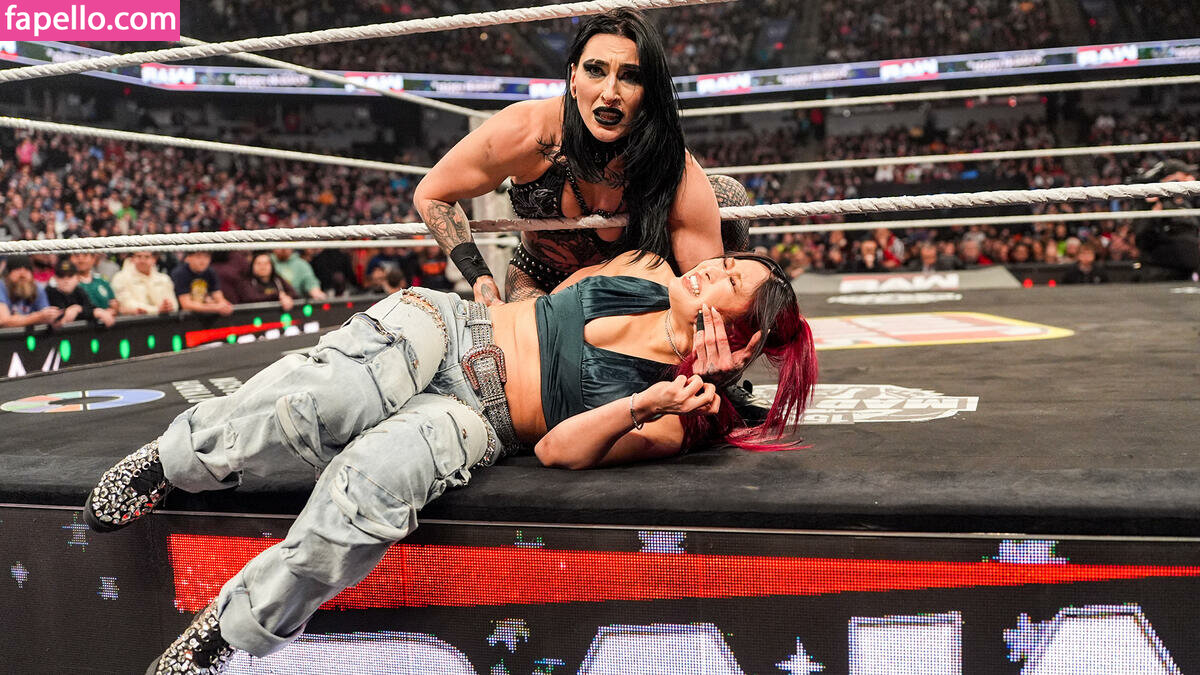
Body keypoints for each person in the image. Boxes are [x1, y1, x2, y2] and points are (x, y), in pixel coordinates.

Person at [83, 252, 817, 673]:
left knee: (369, 494)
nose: (710, 271)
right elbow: (545, 294)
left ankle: (228, 632)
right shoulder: (648, 268)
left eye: (730, 284)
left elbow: (557, 449)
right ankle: (172, 460)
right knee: (336, 394)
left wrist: (650, 399)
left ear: (746, 339)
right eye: (723, 263)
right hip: (446, 325)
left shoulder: (674, 416)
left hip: (480, 419)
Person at [414, 9, 749, 307]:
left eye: (630, 76)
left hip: (634, 284)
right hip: (541, 280)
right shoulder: (527, 131)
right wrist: (481, 279)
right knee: (539, 337)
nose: (610, 93)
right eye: (595, 70)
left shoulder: (669, 161)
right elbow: (433, 194)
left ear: (649, 90)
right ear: (574, 79)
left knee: (726, 193)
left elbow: (704, 289)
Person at [46, 258, 116, 327]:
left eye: (70, 276)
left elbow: (91, 307)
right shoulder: (51, 292)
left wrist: (78, 309)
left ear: (77, 278)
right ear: (55, 278)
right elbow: (61, 318)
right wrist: (79, 310)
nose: (66, 280)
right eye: (61, 276)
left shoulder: (79, 290)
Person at [0, 254, 62, 328]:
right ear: (7, 274)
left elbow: (46, 316)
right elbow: (3, 321)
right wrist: (36, 317)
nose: (22, 273)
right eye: (17, 269)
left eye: (27, 269)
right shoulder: (1, 286)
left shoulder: (36, 287)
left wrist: (57, 316)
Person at [111, 250, 179, 315]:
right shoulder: (120, 278)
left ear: (154, 259)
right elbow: (127, 304)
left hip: (165, 320)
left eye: (147, 257)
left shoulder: (164, 278)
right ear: (132, 259)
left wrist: (168, 307)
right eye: (139, 256)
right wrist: (157, 310)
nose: (142, 260)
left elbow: (174, 305)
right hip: (133, 321)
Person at [171, 251, 235, 316]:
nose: (203, 261)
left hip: (203, 314)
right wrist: (215, 307)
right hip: (181, 318)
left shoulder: (210, 272)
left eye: (206, 257)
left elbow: (219, 297)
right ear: (188, 258)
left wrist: (225, 306)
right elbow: (186, 305)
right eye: (198, 257)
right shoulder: (180, 273)